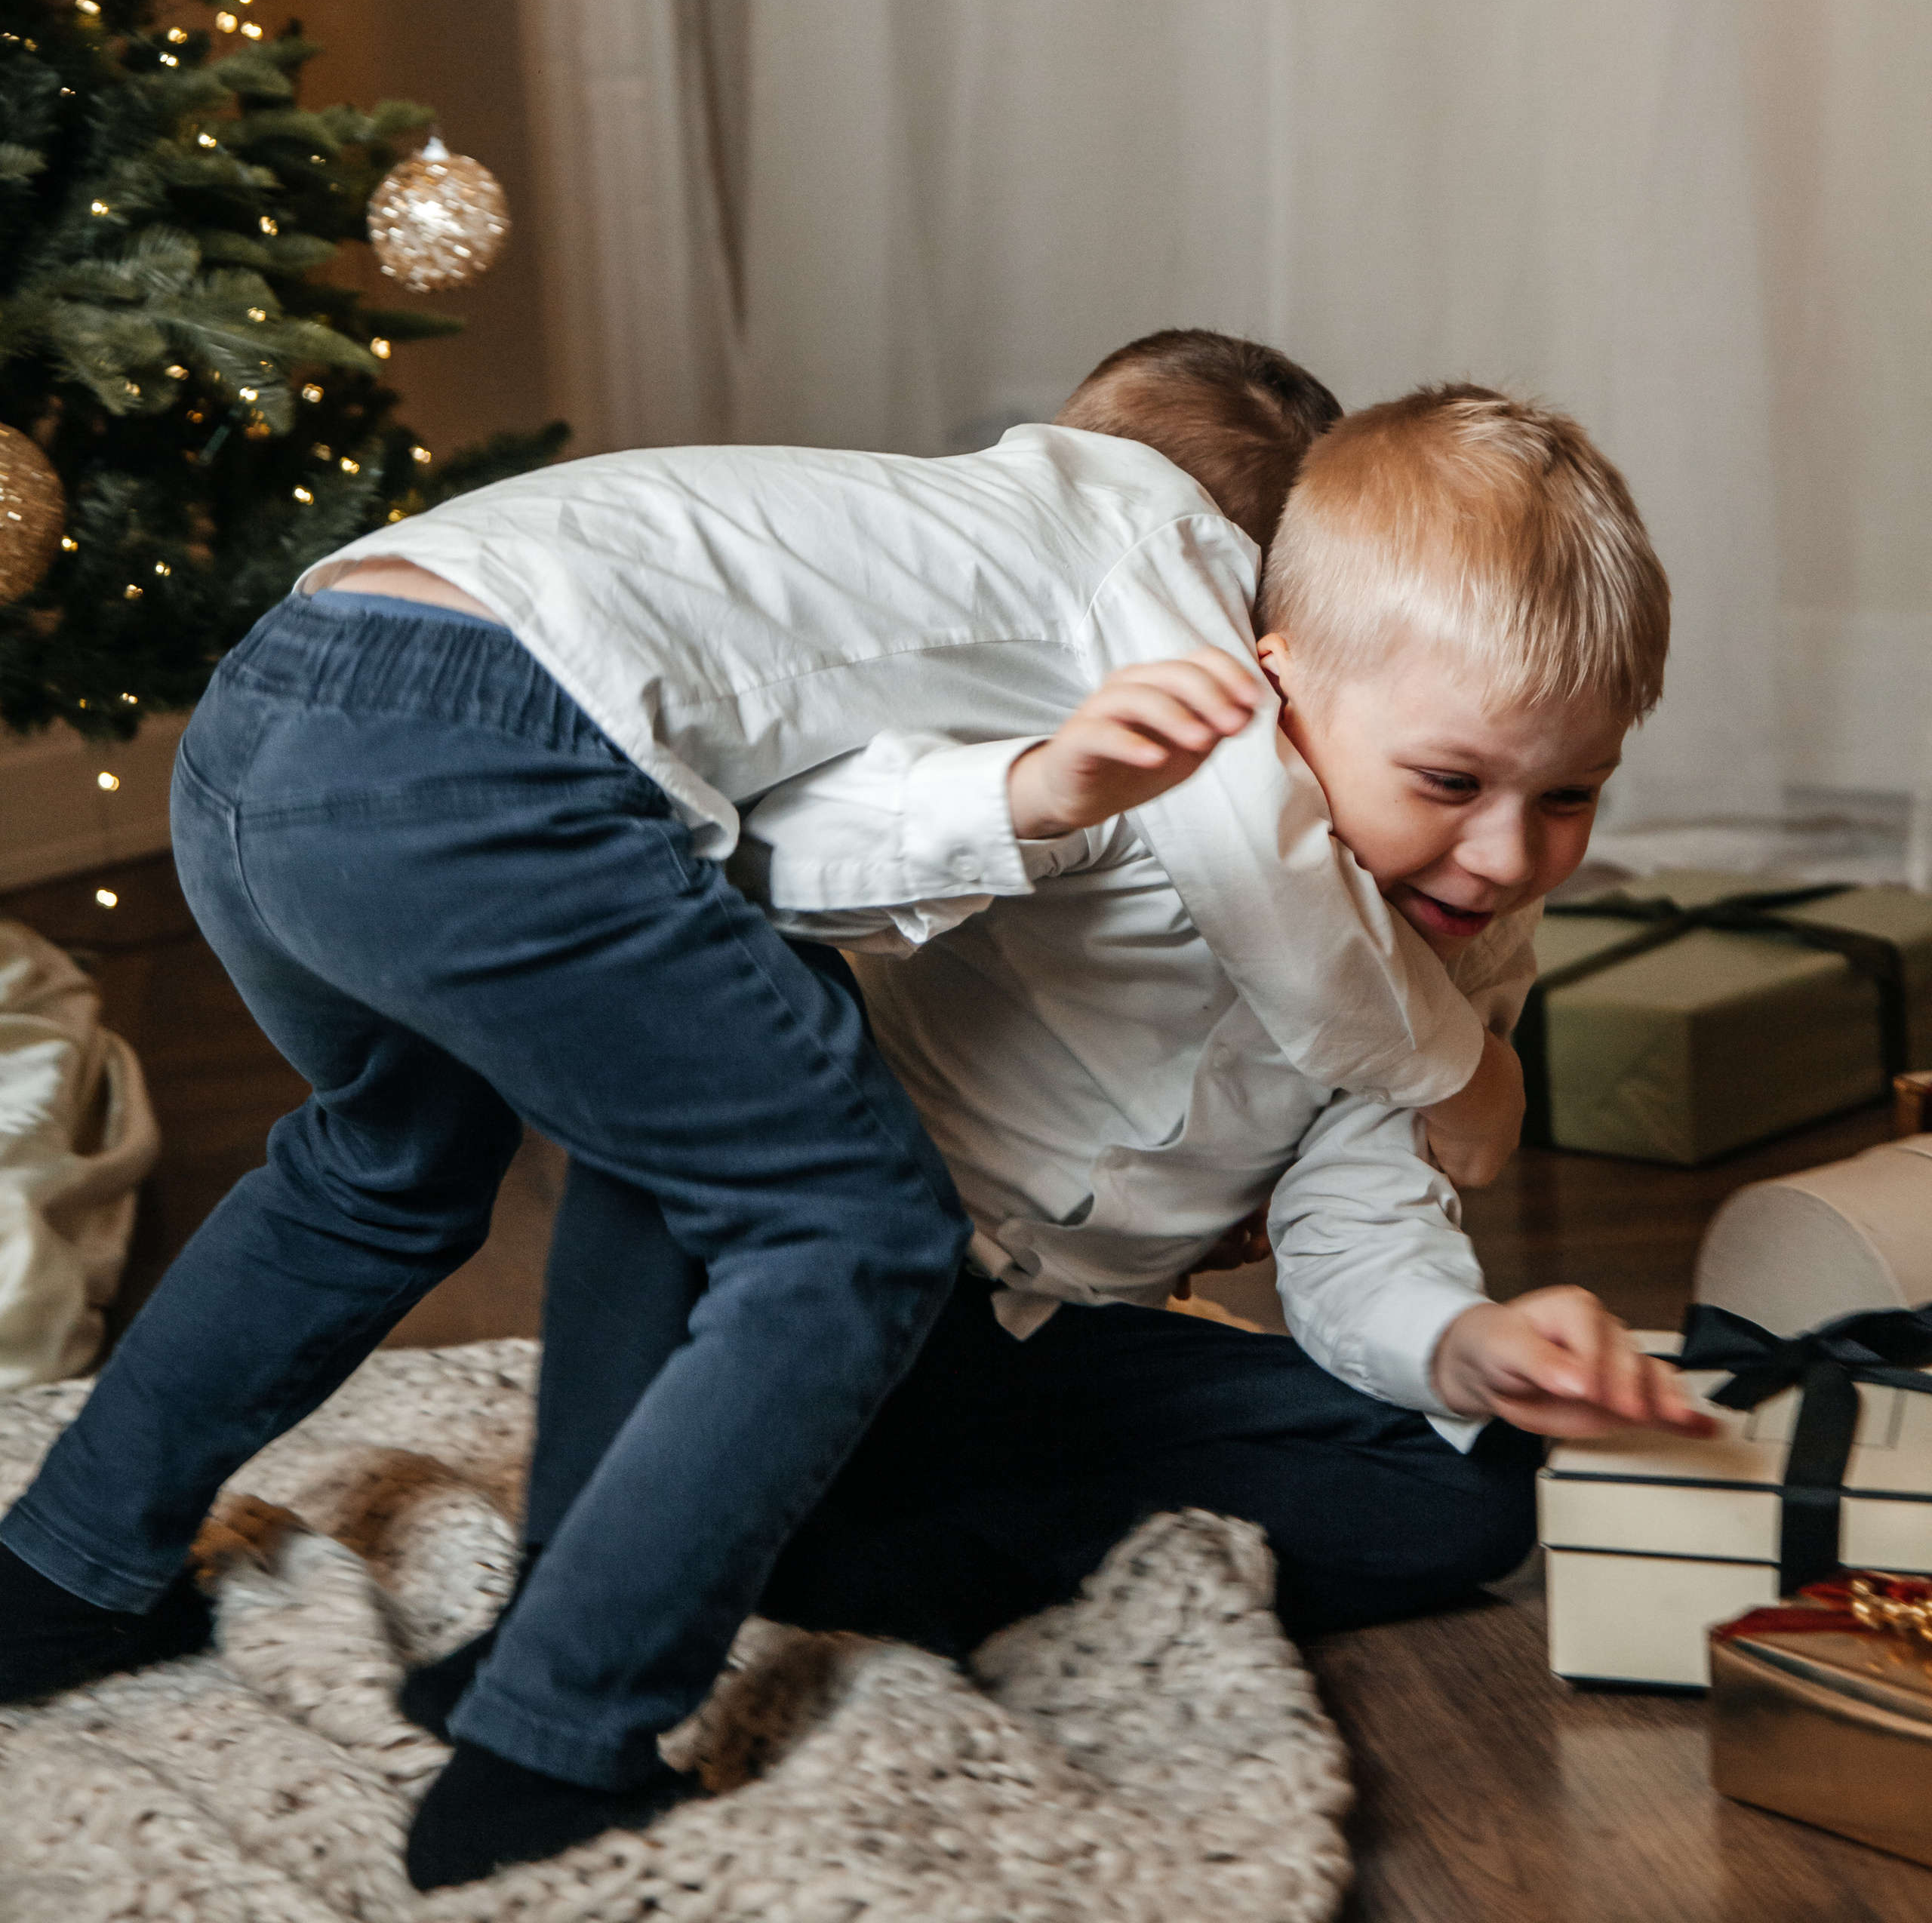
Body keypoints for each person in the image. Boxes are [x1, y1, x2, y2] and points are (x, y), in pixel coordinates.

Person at [0, 334, 1518, 1890]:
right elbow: (1262, 873)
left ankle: (59, 1577)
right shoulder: (1180, 565)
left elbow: (802, 842)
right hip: (498, 739)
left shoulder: (935, 538)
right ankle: (546, 1748)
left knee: (380, 1167)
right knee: (844, 1220)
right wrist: (1456, 1065)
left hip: (279, 700)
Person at [398, 383, 1712, 1726]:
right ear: (1281, 684)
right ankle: (575, 1592)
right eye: (1450, 783)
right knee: (714, 1047)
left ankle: (883, 1561)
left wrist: (1464, 1339)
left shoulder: (1473, 944)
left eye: (1569, 795)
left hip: (1034, 1348)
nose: (1508, 855)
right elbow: (785, 859)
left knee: (1471, 1494)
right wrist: (1029, 791)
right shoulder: (1133, 772)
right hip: (812, 1288)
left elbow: (1359, 1229)